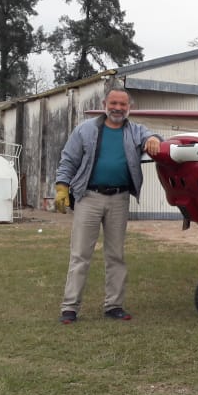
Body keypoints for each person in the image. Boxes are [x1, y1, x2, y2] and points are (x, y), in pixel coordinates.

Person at [54, 86, 162, 324]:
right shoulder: (85, 129)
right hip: (89, 198)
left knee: (116, 255)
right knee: (80, 254)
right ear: (105, 104)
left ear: (129, 108)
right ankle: (70, 308)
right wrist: (62, 185)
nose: (118, 108)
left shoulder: (135, 131)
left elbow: (152, 138)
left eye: (123, 105)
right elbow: (69, 159)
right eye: (114, 103)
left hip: (119, 199)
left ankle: (114, 305)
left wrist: (153, 139)